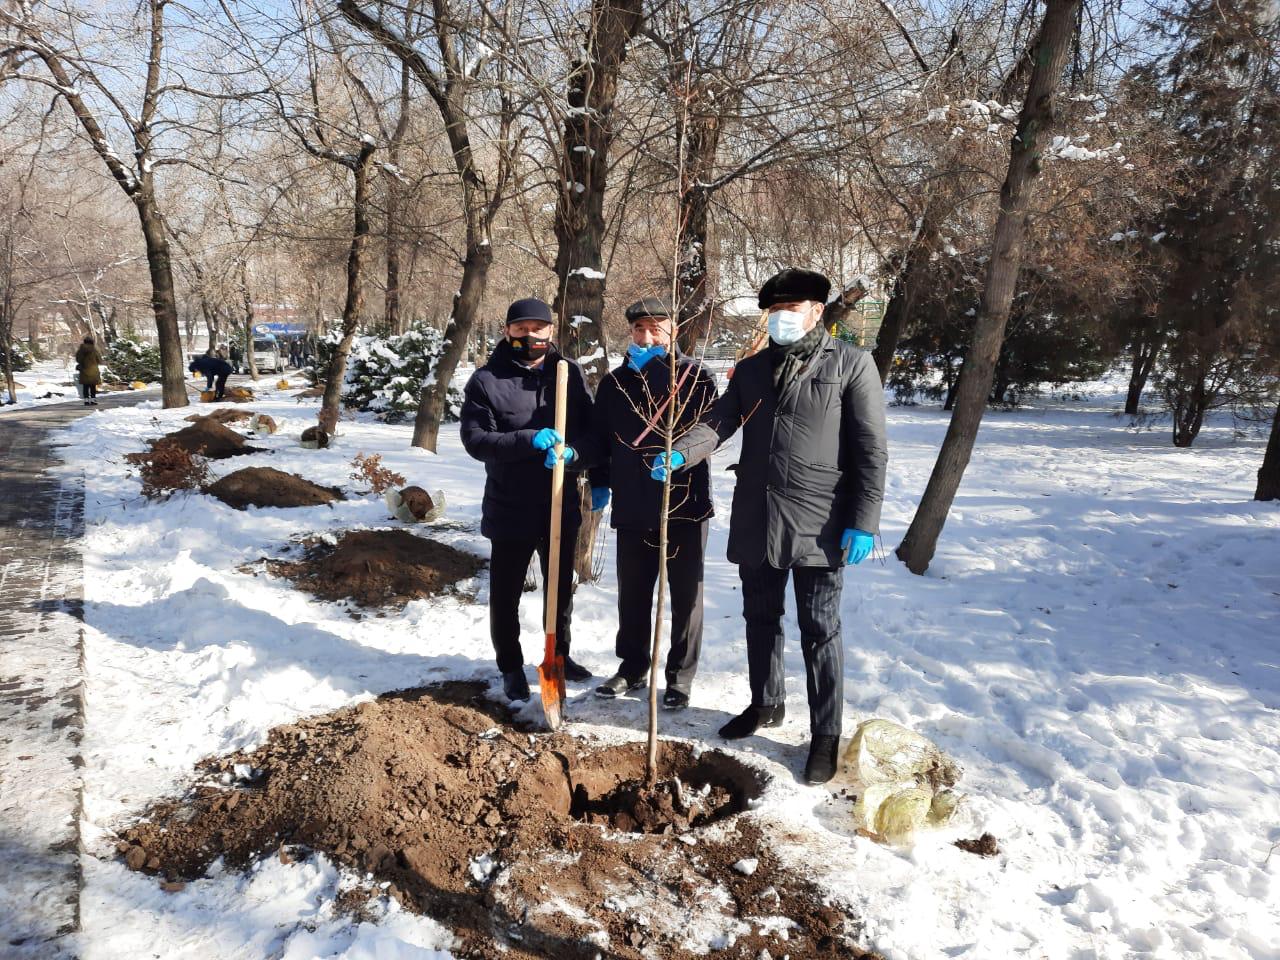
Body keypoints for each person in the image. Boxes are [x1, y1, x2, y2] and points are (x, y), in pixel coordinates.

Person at [652, 268, 888, 784]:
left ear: (816, 312)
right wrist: (680, 453)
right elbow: (719, 422)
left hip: (820, 522)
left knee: (820, 630)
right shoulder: (753, 369)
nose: (781, 318)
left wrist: (863, 521)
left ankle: (825, 734)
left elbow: (871, 450)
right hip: (758, 518)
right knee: (760, 618)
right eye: (774, 311)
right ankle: (766, 703)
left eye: (791, 310)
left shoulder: (851, 364)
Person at [460, 297, 601, 702]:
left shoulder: (567, 374)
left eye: (538, 329)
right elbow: (476, 441)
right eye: (521, 329)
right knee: (505, 593)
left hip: (559, 501)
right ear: (508, 331)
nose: (530, 336)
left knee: (560, 591)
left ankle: (557, 656)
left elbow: (591, 432)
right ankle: (509, 664)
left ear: (550, 332)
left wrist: (577, 454)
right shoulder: (487, 381)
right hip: (509, 505)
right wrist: (527, 440)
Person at [588, 298, 719, 710]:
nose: (647, 336)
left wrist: (680, 452)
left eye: (655, 328)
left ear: (673, 330)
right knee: (633, 594)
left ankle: (679, 677)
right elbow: (601, 440)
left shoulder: (696, 377)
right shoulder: (614, 383)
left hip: (684, 503)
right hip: (631, 504)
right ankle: (632, 666)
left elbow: (709, 430)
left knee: (686, 597)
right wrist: (599, 481)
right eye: (639, 329)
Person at [74, 335, 102, 406]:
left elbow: (78, 359)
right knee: (92, 386)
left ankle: (86, 401)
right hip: (93, 370)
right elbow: (99, 360)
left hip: (84, 370)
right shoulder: (95, 350)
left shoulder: (80, 350)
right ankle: (93, 400)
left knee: (85, 386)